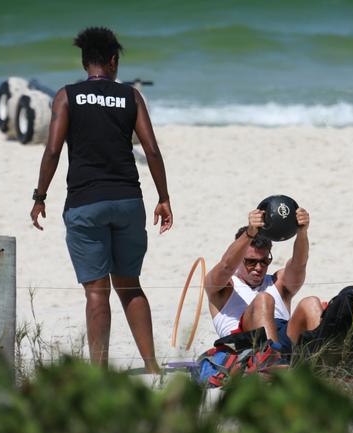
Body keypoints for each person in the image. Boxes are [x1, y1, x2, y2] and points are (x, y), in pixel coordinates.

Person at [30, 27, 172, 372]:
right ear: (113, 61)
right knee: (129, 285)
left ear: (84, 62)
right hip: (128, 201)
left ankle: (99, 373)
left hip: (85, 202)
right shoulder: (131, 97)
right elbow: (151, 150)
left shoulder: (66, 96)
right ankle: (152, 367)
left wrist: (40, 195)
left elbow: (52, 151)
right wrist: (164, 197)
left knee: (97, 292)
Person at [205, 207, 323, 353]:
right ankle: (271, 362)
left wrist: (302, 232)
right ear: (239, 260)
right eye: (251, 262)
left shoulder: (278, 282)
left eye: (264, 261)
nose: (259, 267)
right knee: (264, 299)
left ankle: (324, 362)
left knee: (310, 303)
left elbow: (299, 265)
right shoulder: (224, 287)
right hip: (245, 342)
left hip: (283, 332)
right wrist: (249, 234)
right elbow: (226, 266)